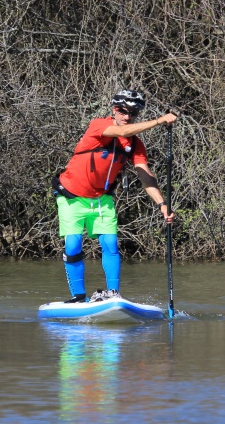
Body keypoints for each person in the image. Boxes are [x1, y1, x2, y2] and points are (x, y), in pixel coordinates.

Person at [52, 89, 178, 303]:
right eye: (123, 111)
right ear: (114, 109)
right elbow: (121, 132)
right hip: (71, 196)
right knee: (73, 246)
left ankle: (113, 294)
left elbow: (145, 176)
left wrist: (162, 204)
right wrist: (159, 121)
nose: (127, 117)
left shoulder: (135, 145)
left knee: (110, 243)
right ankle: (78, 297)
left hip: (102, 199)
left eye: (133, 113)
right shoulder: (99, 125)